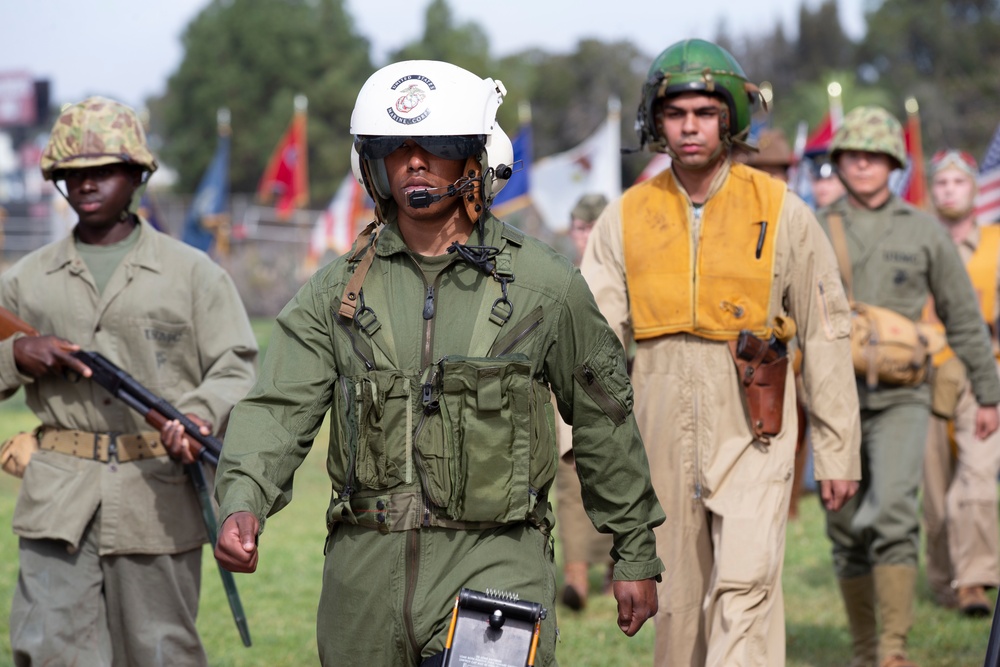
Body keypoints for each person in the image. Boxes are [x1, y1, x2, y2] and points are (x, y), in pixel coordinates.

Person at [213, 60, 665, 667]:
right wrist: (244, 498)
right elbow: (278, 405)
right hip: (363, 577)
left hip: (495, 562)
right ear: (372, 163)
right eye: (395, 149)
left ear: (473, 158)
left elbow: (603, 417)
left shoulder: (543, 285)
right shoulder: (335, 292)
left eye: (436, 146)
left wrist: (632, 550)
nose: (414, 162)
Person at [581, 38, 861, 667]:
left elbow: (825, 328)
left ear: (730, 116)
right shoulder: (624, 217)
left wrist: (839, 446)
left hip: (753, 420)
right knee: (676, 603)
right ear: (655, 122)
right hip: (656, 410)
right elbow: (591, 339)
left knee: (746, 587)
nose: (689, 126)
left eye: (704, 112)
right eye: (676, 113)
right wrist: (579, 439)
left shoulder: (782, 211)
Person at [0, 96, 258, 666]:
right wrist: (18, 353)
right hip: (58, 498)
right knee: (49, 650)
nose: (87, 182)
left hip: (156, 494)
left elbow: (237, 365)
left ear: (137, 174)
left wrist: (200, 414)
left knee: (160, 651)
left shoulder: (193, 273)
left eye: (104, 169)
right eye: (74, 172)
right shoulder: (26, 279)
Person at [817, 108, 1000, 667]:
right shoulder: (814, 226)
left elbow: (963, 316)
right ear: (839, 161)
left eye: (875, 154)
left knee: (894, 512)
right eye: (852, 154)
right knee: (845, 527)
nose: (863, 163)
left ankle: (893, 653)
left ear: (895, 163)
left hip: (902, 397)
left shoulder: (922, 230)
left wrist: (989, 394)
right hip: (832, 397)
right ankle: (865, 649)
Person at [921, 149, 1000, 618]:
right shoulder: (921, 241)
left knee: (975, 480)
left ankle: (974, 580)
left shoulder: (995, 244)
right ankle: (944, 580)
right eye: (942, 183)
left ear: (975, 188)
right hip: (927, 374)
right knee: (934, 496)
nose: (950, 190)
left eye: (959, 182)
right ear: (933, 190)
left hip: (980, 371)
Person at [556, 192, 615, 611]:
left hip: (619, 400)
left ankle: (618, 570)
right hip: (570, 398)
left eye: (595, 227)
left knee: (619, 481)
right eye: (580, 227)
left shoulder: (626, 276)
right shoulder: (562, 276)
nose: (587, 235)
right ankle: (575, 574)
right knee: (571, 484)